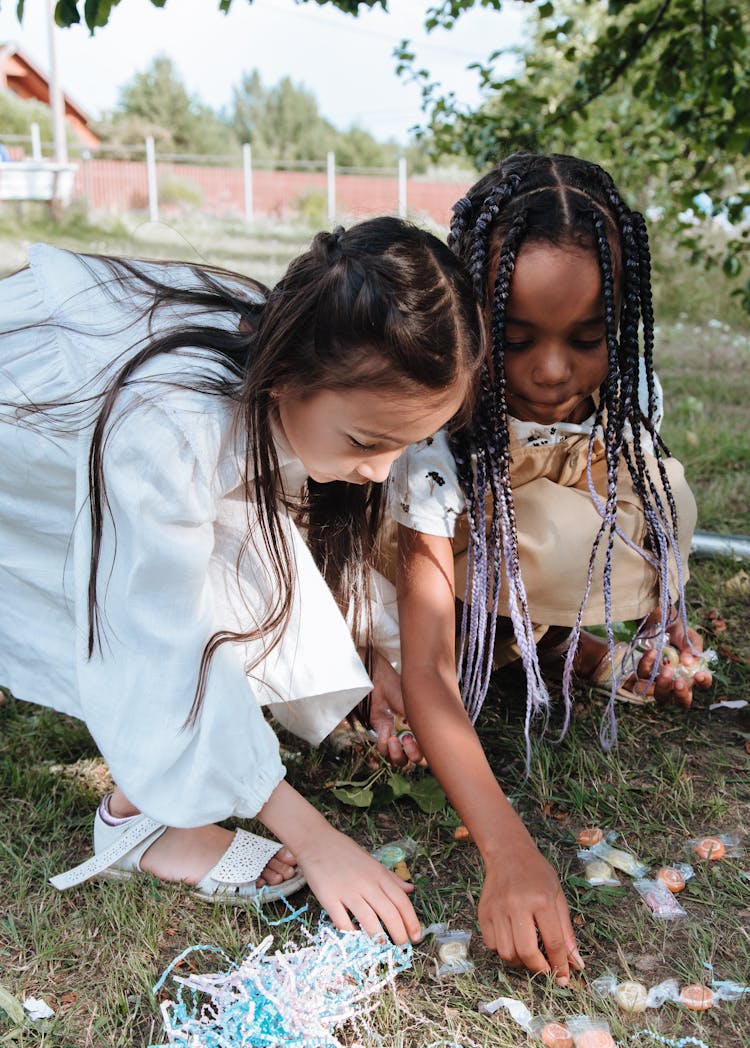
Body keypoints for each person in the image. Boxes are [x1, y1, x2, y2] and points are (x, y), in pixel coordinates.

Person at [0, 219, 483, 946]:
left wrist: (370, 651)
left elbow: (287, 526)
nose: (385, 471)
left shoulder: (311, 353)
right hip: (24, 436)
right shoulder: (168, 424)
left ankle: (170, 792)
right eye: (367, 443)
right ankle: (144, 817)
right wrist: (315, 838)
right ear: (286, 376)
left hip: (93, 437)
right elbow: (160, 630)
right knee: (149, 596)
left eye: (406, 445)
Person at [380, 153, 707, 980]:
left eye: (586, 338)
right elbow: (428, 665)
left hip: (498, 588)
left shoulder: (627, 395)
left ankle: (555, 647)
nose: (553, 371)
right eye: (515, 339)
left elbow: (643, 518)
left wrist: (667, 617)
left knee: (657, 489)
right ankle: (468, 657)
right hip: (402, 608)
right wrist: (509, 848)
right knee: (407, 672)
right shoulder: (435, 422)